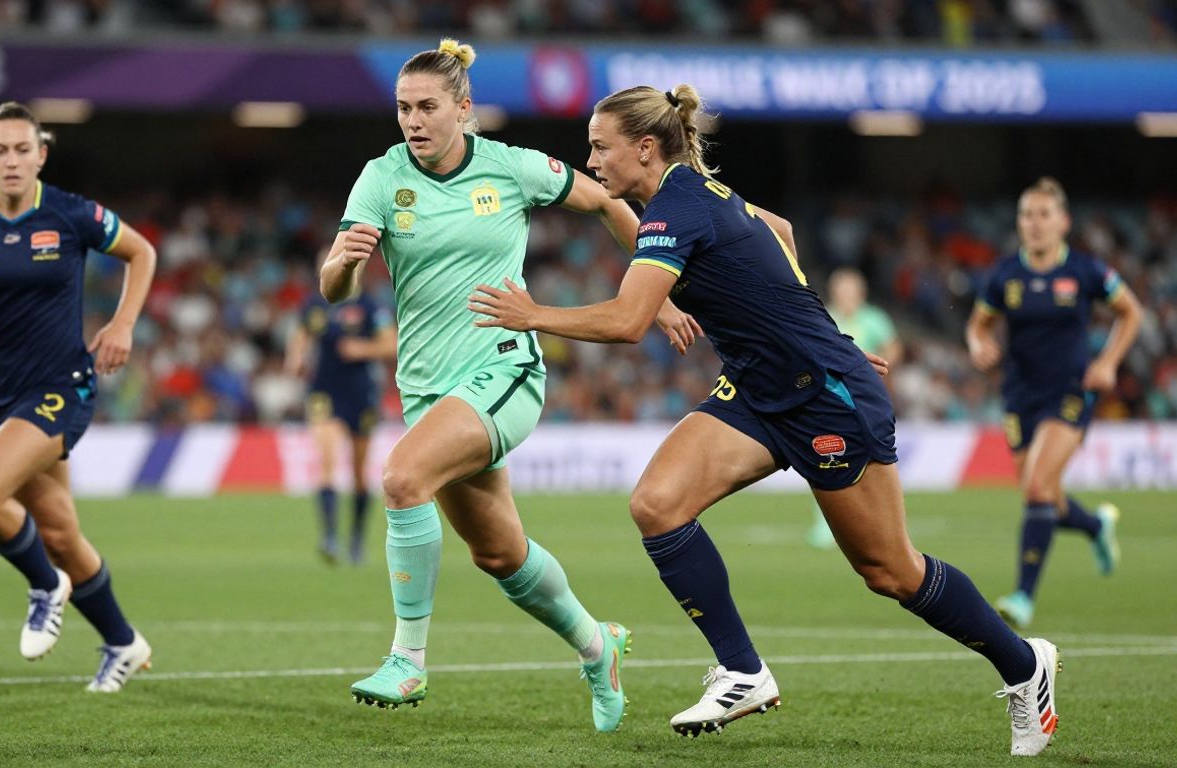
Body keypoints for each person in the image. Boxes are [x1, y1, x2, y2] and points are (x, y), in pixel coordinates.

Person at [469, 84, 1062, 756]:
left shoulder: (674, 209)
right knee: (658, 504)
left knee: (891, 571)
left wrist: (534, 315)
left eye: (600, 148)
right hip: (759, 388)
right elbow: (775, 231)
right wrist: (809, 325)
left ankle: (1024, 667)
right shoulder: (694, 196)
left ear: (643, 147)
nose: (592, 161)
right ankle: (744, 670)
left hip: (827, 398)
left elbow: (630, 321)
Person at [319, 39, 700, 733]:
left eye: (428, 107)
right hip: (430, 389)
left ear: (464, 110)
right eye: (403, 108)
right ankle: (597, 644)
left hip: (505, 369)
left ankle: (407, 660)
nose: (413, 120)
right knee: (498, 553)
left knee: (403, 477)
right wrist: (342, 266)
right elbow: (335, 289)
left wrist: (658, 289)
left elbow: (609, 203)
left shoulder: (514, 167)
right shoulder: (380, 178)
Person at [0, 101, 157, 692]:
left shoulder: (71, 214)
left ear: (41, 155)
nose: (13, 160)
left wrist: (122, 324)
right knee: (61, 534)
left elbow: (141, 252)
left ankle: (45, 586)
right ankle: (124, 642)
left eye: (24, 149)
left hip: (61, 389)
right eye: (1, 150)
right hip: (3, 398)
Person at [965, 177, 1141, 629]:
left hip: (1070, 392)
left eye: (1045, 214)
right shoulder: (1005, 275)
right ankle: (1096, 526)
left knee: (1039, 489)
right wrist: (977, 342)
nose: (1035, 223)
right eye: (1028, 214)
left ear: (1063, 221)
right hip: (1020, 396)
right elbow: (978, 323)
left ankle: (1023, 595)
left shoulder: (1085, 270)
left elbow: (1131, 312)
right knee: (1040, 492)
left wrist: (1108, 363)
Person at [286, 266, 398, 565]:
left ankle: (357, 539)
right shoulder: (315, 304)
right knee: (326, 461)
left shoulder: (370, 306)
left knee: (360, 473)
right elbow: (301, 335)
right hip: (324, 391)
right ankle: (330, 537)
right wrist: (295, 358)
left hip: (361, 394)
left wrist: (362, 349)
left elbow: (391, 344)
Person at [807, 268, 903, 549]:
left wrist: (878, 368)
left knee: (872, 460)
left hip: (866, 401)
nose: (846, 296)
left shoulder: (874, 319)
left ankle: (880, 522)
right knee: (825, 456)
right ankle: (826, 524)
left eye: (851, 290)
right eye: (841, 290)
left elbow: (894, 348)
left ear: (861, 293)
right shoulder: (823, 316)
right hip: (827, 399)